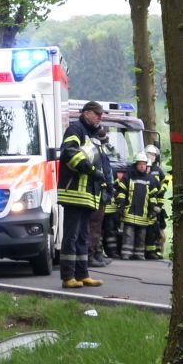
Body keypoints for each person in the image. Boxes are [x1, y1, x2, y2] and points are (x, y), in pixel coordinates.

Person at [59, 100, 107, 288]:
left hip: (88, 195)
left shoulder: (93, 134)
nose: (99, 117)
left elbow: (101, 162)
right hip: (74, 193)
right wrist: (90, 170)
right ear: (86, 113)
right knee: (71, 236)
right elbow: (70, 153)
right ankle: (67, 277)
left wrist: (104, 182)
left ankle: (82, 274)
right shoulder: (75, 130)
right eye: (97, 114)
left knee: (82, 237)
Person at [87, 127, 115, 268]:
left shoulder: (101, 150)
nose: (107, 139)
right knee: (93, 226)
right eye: (104, 136)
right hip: (97, 192)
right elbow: (102, 172)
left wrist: (110, 189)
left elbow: (107, 172)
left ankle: (97, 253)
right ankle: (91, 255)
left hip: (102, 192)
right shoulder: (95, 150)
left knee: (97, 227)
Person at [142, 142, 168, 260]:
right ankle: (146, 250)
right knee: (147, 228)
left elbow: (165, 182)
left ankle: (157, 250)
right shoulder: (142, 168)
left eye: (153, 155)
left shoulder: (158, 170)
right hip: (145, 203)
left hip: (157, 203)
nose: (151, 157)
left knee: (158, 228)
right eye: (149, 154)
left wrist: (161, 191)